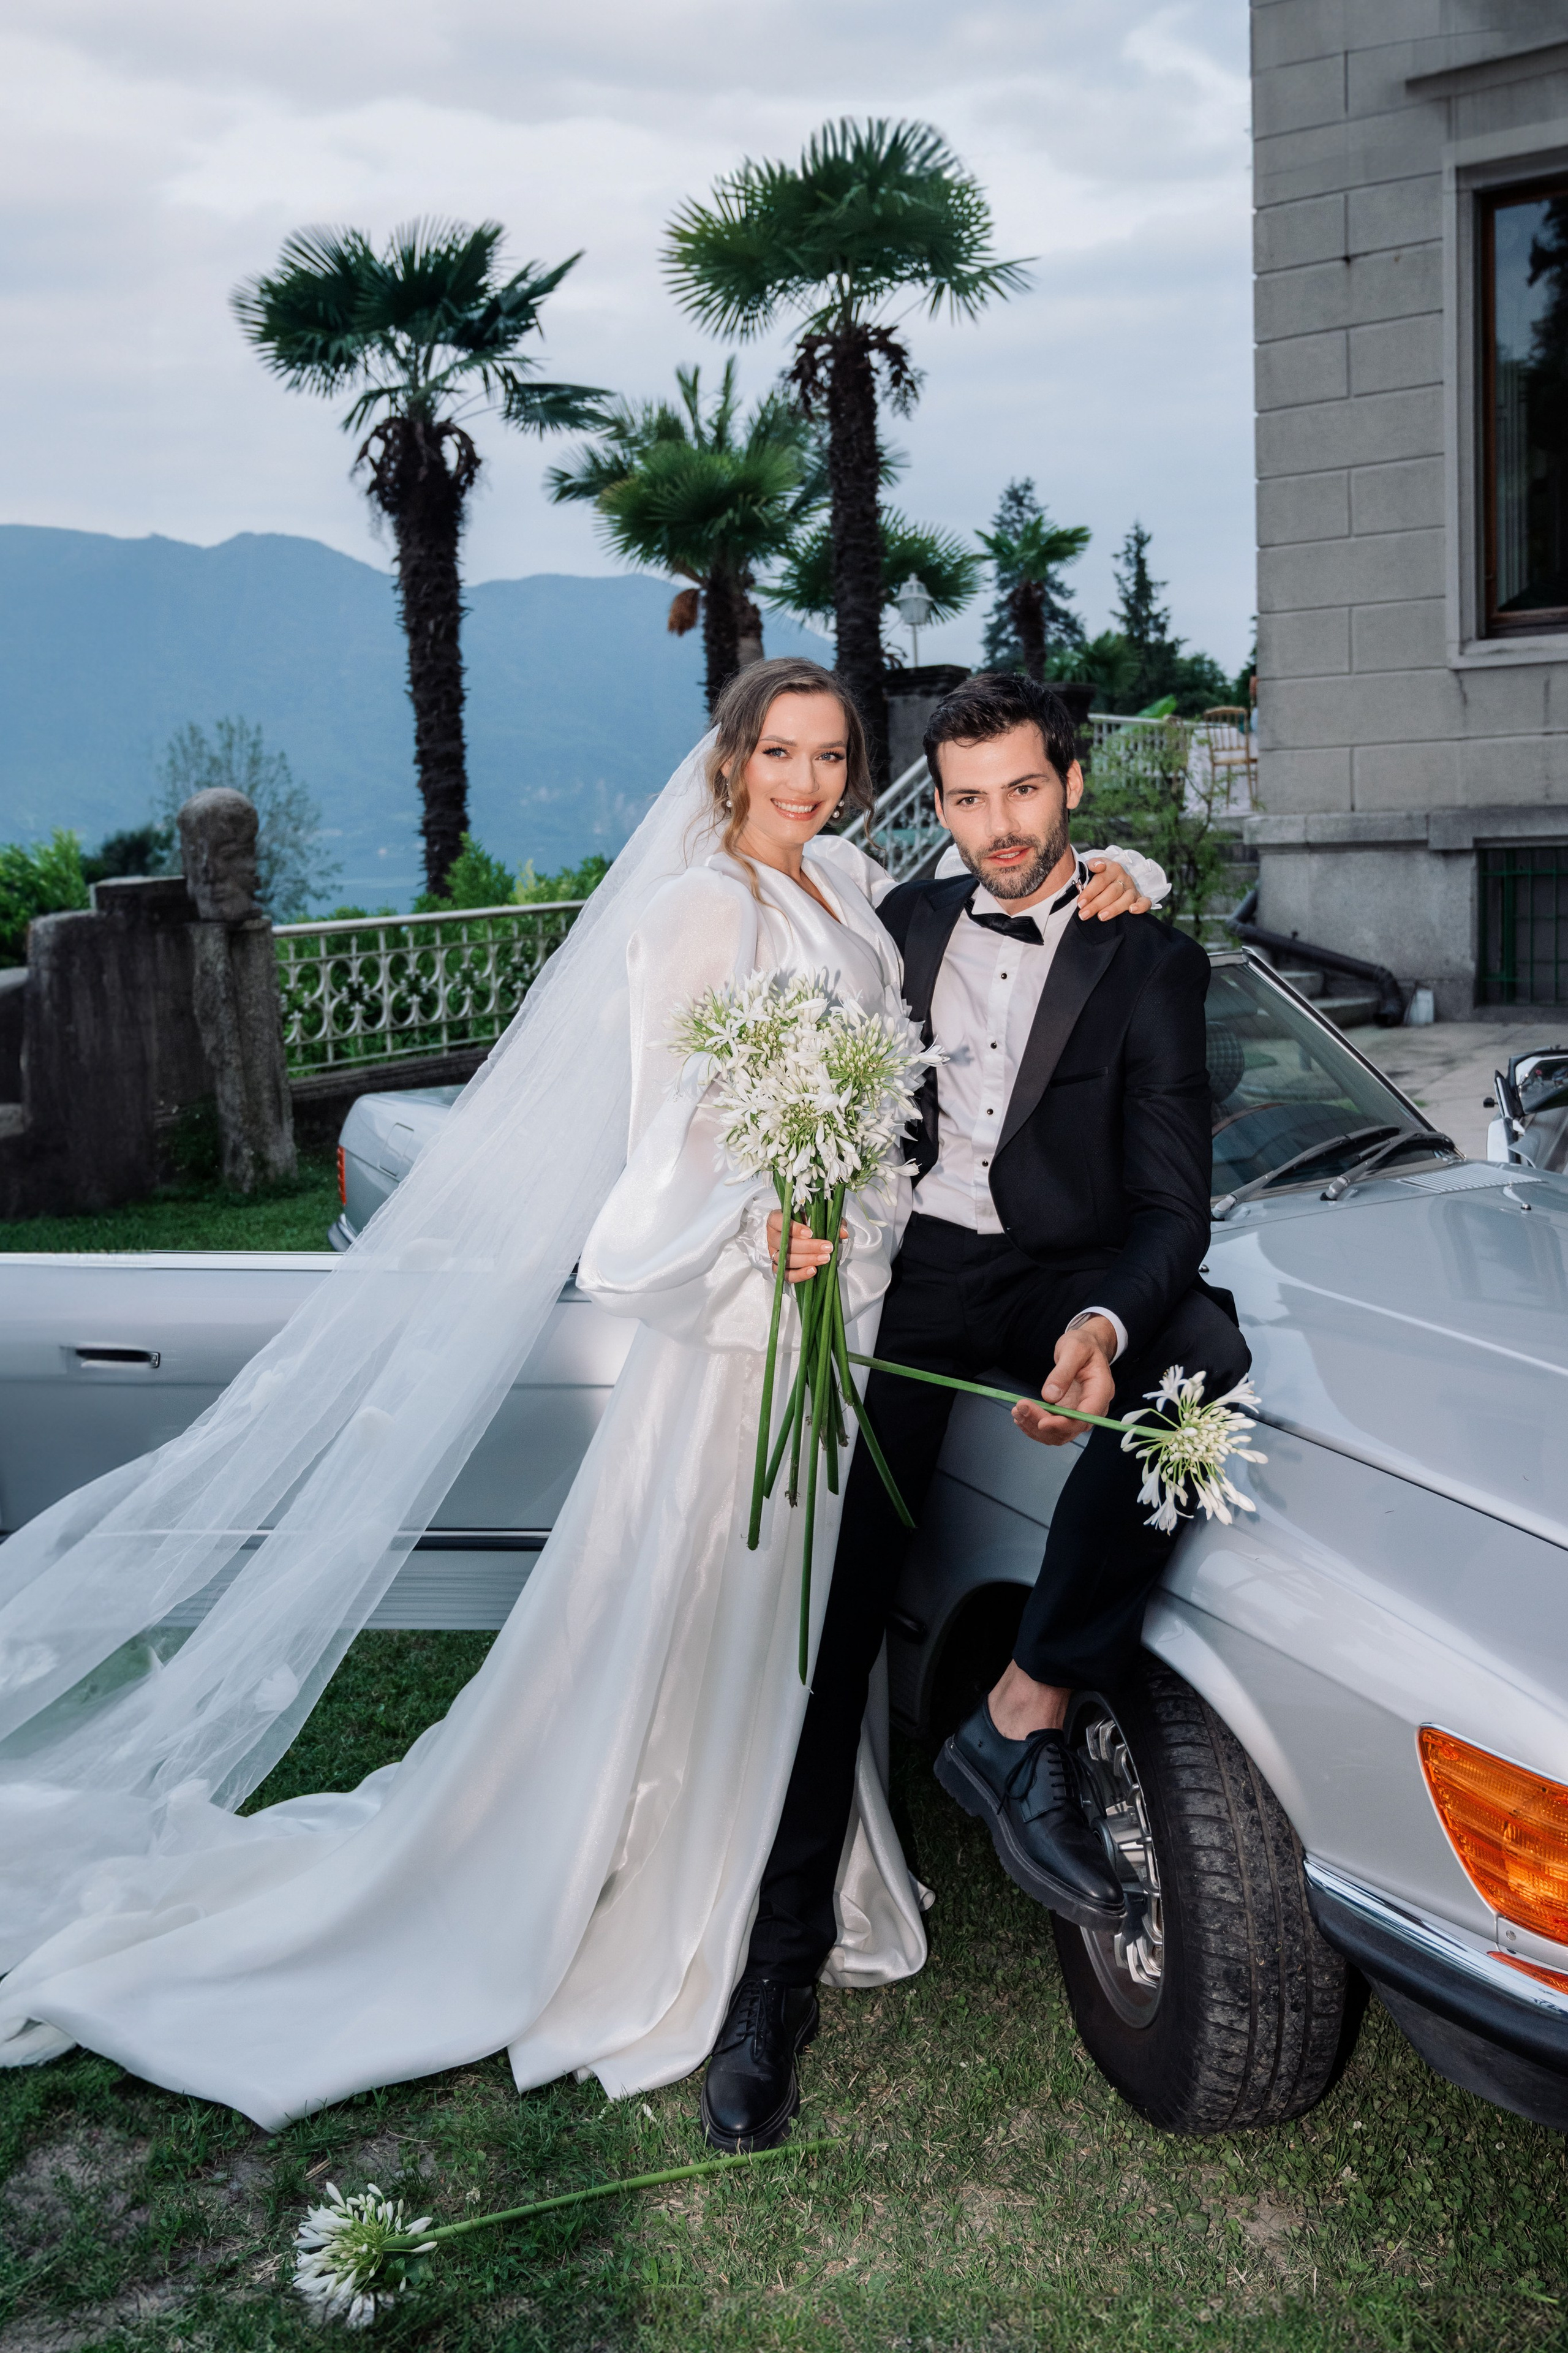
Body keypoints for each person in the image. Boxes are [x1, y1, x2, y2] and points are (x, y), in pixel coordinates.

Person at [0, 660, 1157, 2130]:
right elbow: (661, 1145)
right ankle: (676, 1902)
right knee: (707, 1615)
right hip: (747, 1338)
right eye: (780, 754)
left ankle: (785, 1878)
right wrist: (755, 1219)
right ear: (730, 761)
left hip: (860, 1324)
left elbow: (1012, 883)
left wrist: (1124, 865)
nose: (804, 782)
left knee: (809, 1631)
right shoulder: (692, 916)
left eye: (829, 757)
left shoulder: (853, 885)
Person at [703, 672, 1250, 2151]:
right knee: (844, 1600)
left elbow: (1168, 1208)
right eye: (963, 798)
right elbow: (773, 990)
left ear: (1069, 781)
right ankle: (773, 1980)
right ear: (931, 809)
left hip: (1053, 1276)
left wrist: (1095, 1325)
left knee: (1199, 1359)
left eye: (1021, 790)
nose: (997, 827)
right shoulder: (895, 920)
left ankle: (1025, 1706)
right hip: (905, 1270)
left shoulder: (1149, 958)